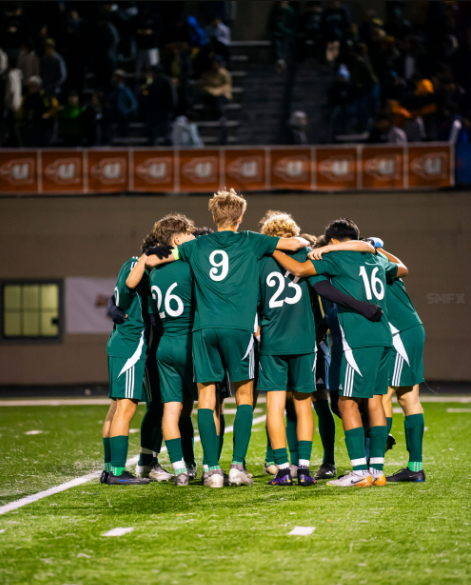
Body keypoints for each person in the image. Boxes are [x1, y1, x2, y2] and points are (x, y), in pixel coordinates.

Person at [127, 189, 308, 488]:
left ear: (213, 216)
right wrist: (305, 244)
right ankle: (236, 466)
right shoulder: (252, 239)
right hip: (239, 328)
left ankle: (211, 470)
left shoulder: (196, 245)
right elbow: (295, 242)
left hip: (204, 330)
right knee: (244, 398)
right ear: (239, 217)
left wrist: (145, 260)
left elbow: (160, 258)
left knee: (207, 400)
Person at [270, 218, 407, 488]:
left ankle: (358, 472)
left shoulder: (337, 259)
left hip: (358, 338)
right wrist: (373, 248)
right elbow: (402, 269)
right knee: (377, 401)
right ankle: (377, 470)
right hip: (383, 336)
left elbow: (298, 267)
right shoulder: (375, 260)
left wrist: (270, 247)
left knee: (346, 403)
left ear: (332, 241)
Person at [139, 215, 198, 486]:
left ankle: (180, 469)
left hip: (164, 346)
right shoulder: (189, 266)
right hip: (190, 343)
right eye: (189, 233)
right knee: (208, 406)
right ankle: (207, 466)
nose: (194, 237)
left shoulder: (154, 271)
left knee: (170, 411)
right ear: (177, 240)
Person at [370, 240, 426, 483]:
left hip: (400, 334)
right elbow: (400, 266)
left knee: (384, 395)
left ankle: (376, 464)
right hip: (409, 330)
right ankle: (414, 467)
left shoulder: (367, 267)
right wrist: (378, 247)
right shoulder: (382, 263)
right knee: (407, 397)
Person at [17, 76, 58, 147]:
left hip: (44, 126)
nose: (30, 87)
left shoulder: (47, 96)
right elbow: (21, 111)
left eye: (32, 85)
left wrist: (48, 114)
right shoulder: (26, 97)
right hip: (30, 126)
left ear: (38, 85)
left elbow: (55, 108)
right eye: (29, 85)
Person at [140, 66, 176, 146]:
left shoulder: (165, 81)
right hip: (154, 111)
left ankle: (167, 149)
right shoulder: (151, 81)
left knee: (165, 132)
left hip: (163, 111)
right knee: (153, 133)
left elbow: (172, 97)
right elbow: (146, 93)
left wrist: (169, 108)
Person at [108, 70, 138, 138]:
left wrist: (127, 112)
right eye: (115, 76)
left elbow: (134, 104)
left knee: (123, 125)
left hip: (123, 114)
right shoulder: (111, 89)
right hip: (112, 113)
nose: (115, 78)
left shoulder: (125, 90)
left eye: (118, 77)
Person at [269, 1, 297, 72]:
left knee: (286, 43)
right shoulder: (276, 10)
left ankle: (282, 60)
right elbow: (272, 23)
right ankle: (281, 60)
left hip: (288, 34)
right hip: (277, 33)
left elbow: (293, 25)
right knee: (277, 42)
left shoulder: (290, 11)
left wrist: (288, 31)